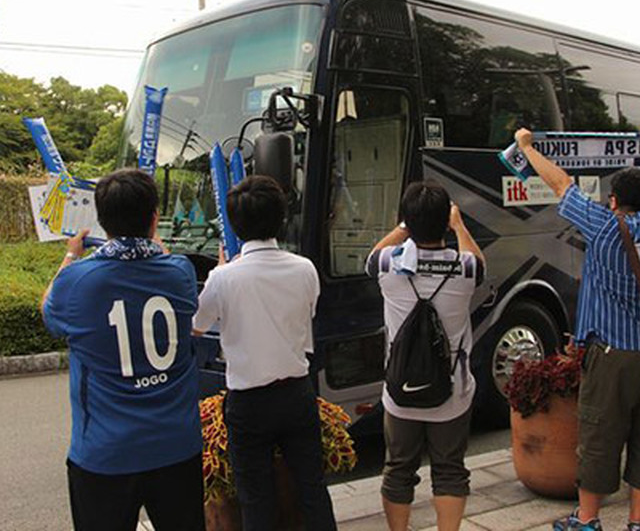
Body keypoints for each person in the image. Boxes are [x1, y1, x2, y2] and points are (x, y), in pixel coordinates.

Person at [41, 169, 204, 531]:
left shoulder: (78, 281)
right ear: (155, 217)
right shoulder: (179, 272)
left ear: (100, 220)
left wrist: (69, 257)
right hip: (177, 445)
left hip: (105, 454)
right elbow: (167, 264)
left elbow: (48, 312)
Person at [192, 175, 337, 531]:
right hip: (297, 393)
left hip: (248, 402)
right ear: (281, 218)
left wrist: (221, 270)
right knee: (312, 489)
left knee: (255, 496)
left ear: (234, 224)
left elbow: (195, 324)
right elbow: (308, 314)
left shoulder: (223, 278)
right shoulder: (305, 269)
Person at [513, 128, 640, 531]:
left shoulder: (605, 227)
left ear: (615, 200)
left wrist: (526, 147)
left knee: (600, 435)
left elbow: (561, 184)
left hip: (613, 354)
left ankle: (587, 520)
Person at [366, 179, 485, 531]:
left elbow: (375, 253)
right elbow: (478, 260)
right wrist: (459, 225)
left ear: (408, 220)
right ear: (444, 221)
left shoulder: (388, 265)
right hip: (453, 393)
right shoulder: (466, 269)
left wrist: (406, 225)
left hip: (400, 393)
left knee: (399, 469)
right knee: (449, 469)